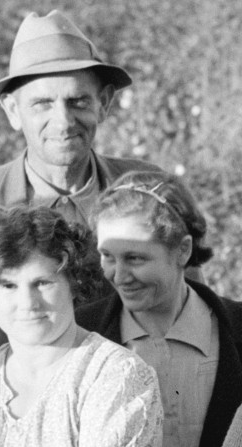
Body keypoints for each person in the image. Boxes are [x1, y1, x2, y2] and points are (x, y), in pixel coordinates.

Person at [0, 9, 163, 386]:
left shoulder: (148, 191)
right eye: (42, 104)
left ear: (103, 102)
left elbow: (192, 315)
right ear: (12, 111)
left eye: (78, 101)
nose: (63, 121)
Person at [0, 205, 162, 446]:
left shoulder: (115, 377)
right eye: (8, 285)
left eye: (42, 283)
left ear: (73, 282)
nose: (28, 303)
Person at [76, 170, 242, 447]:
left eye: (135, 258)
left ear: (183, 250)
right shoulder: (79, 337)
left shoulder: (237, 328)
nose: (119, 276)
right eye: (108, 257)